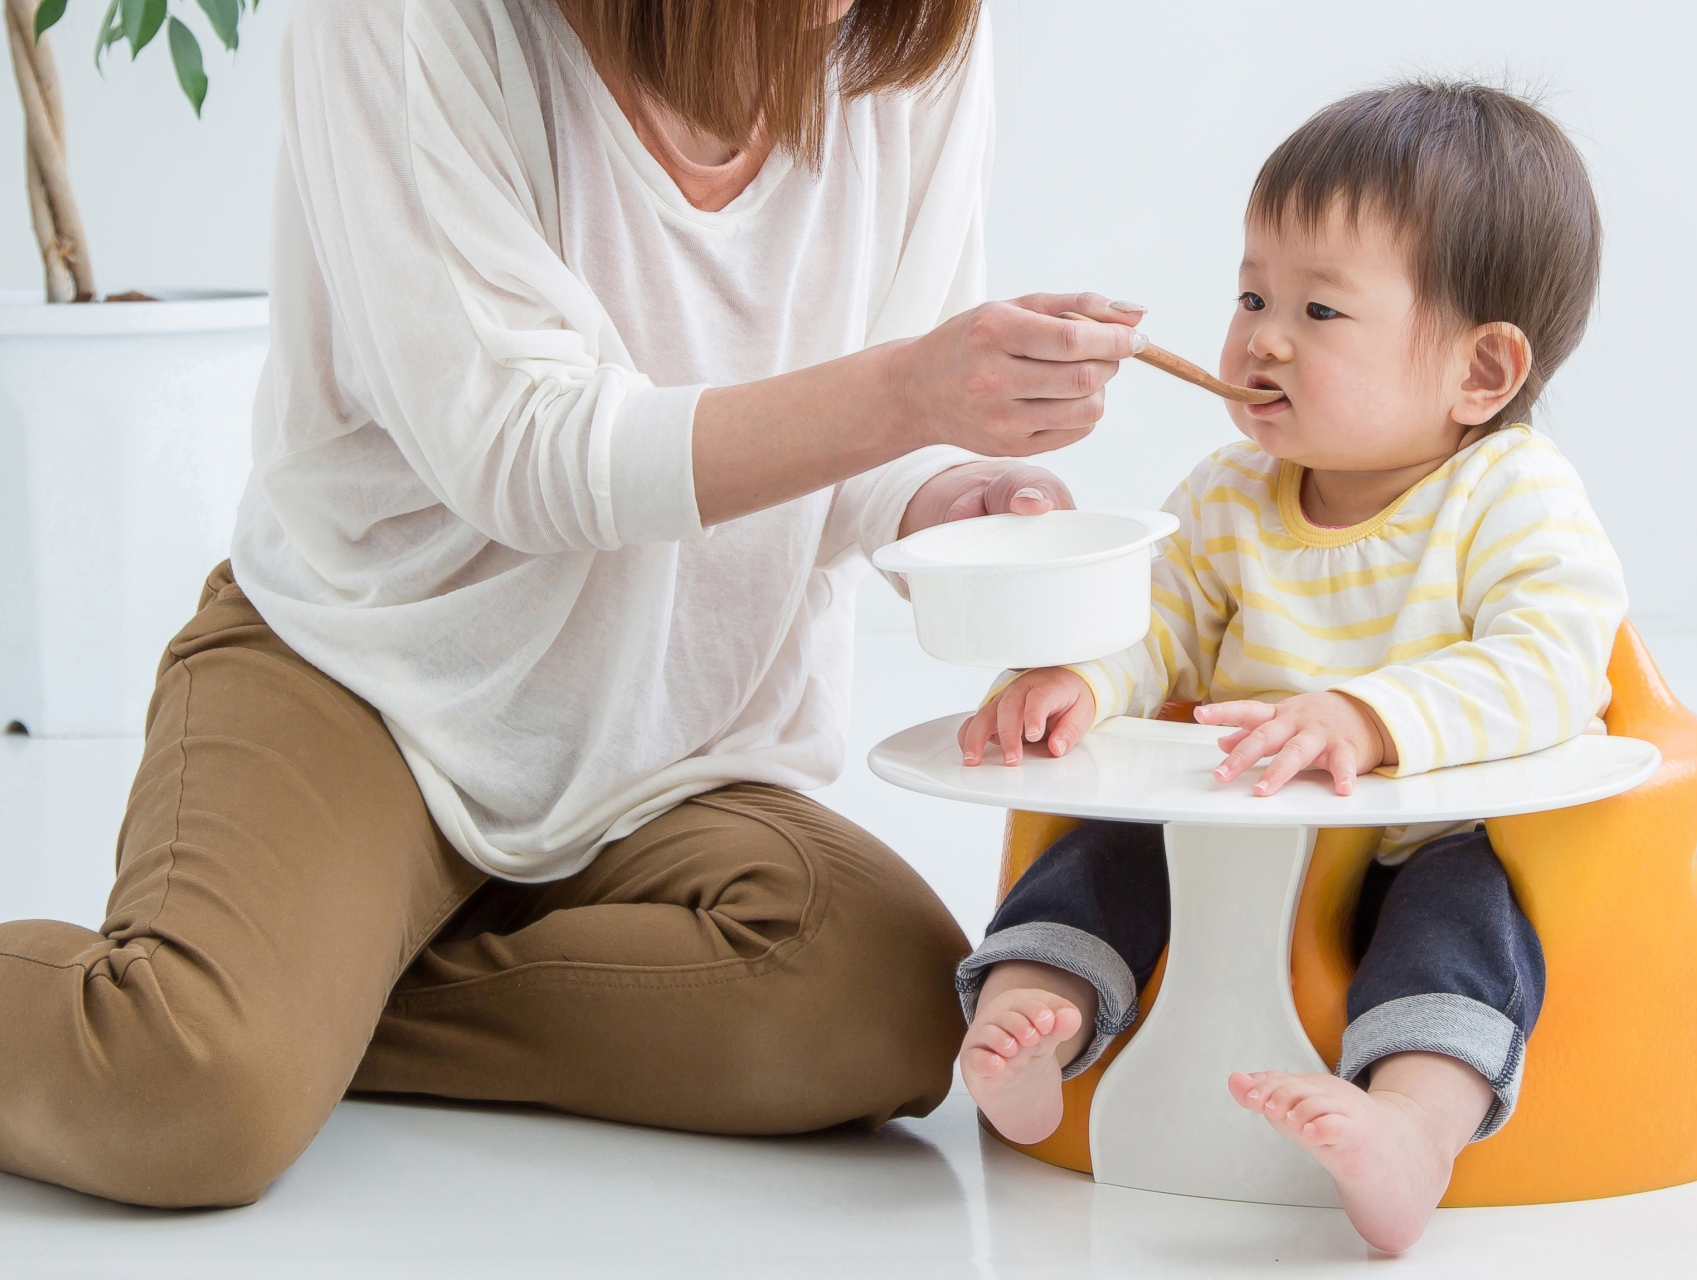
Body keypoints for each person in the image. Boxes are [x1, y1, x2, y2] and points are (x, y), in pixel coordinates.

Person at [0, 0, 1148, 1208]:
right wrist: (913, 391)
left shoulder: (907, 46)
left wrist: (964, 490)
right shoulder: (404, 22)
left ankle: (312, 998)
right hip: (366, 675)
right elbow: (521, 450)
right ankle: (256, 1016)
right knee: (185, 1085)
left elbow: (868, 448)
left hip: (663, 744)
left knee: (888, 1005)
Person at [951, 81, 1625, 1252]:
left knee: (1465, 930)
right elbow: (1154, 621)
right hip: (1227, 824)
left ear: (1480, 372)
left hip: (1422, 838)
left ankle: (1409, 1129)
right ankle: (1030, 1028)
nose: (1261, 336)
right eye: (1253, 293)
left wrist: (1368, 717)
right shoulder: (1227, 495)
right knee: (1094, 859)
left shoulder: (1508, 495)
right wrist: (1085, 679)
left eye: (1320, 310)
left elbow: (1554, 662)